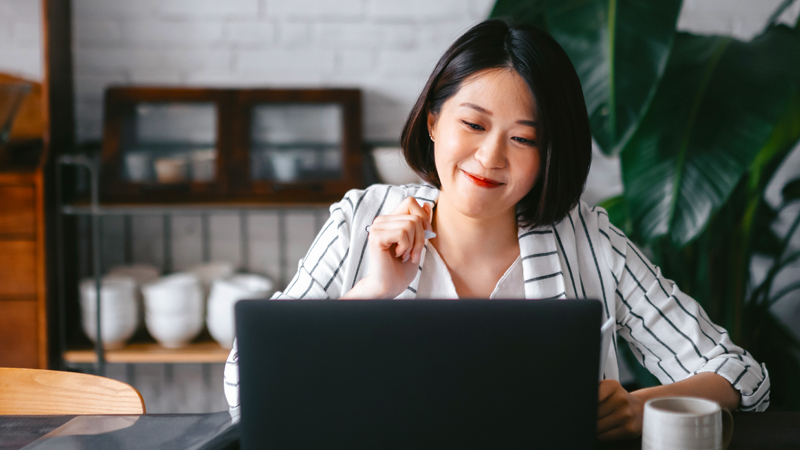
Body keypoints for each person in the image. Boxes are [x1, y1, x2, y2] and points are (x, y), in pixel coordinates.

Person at [224, 19, 770, 440]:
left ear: (549, 154)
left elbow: (741, 375)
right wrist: (372, 293)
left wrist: (637, 405)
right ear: (434, 121)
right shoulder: (360, 223)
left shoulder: (588, 240)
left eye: (524, 139)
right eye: (473, 124)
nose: (490, 158)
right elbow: (248, 387)